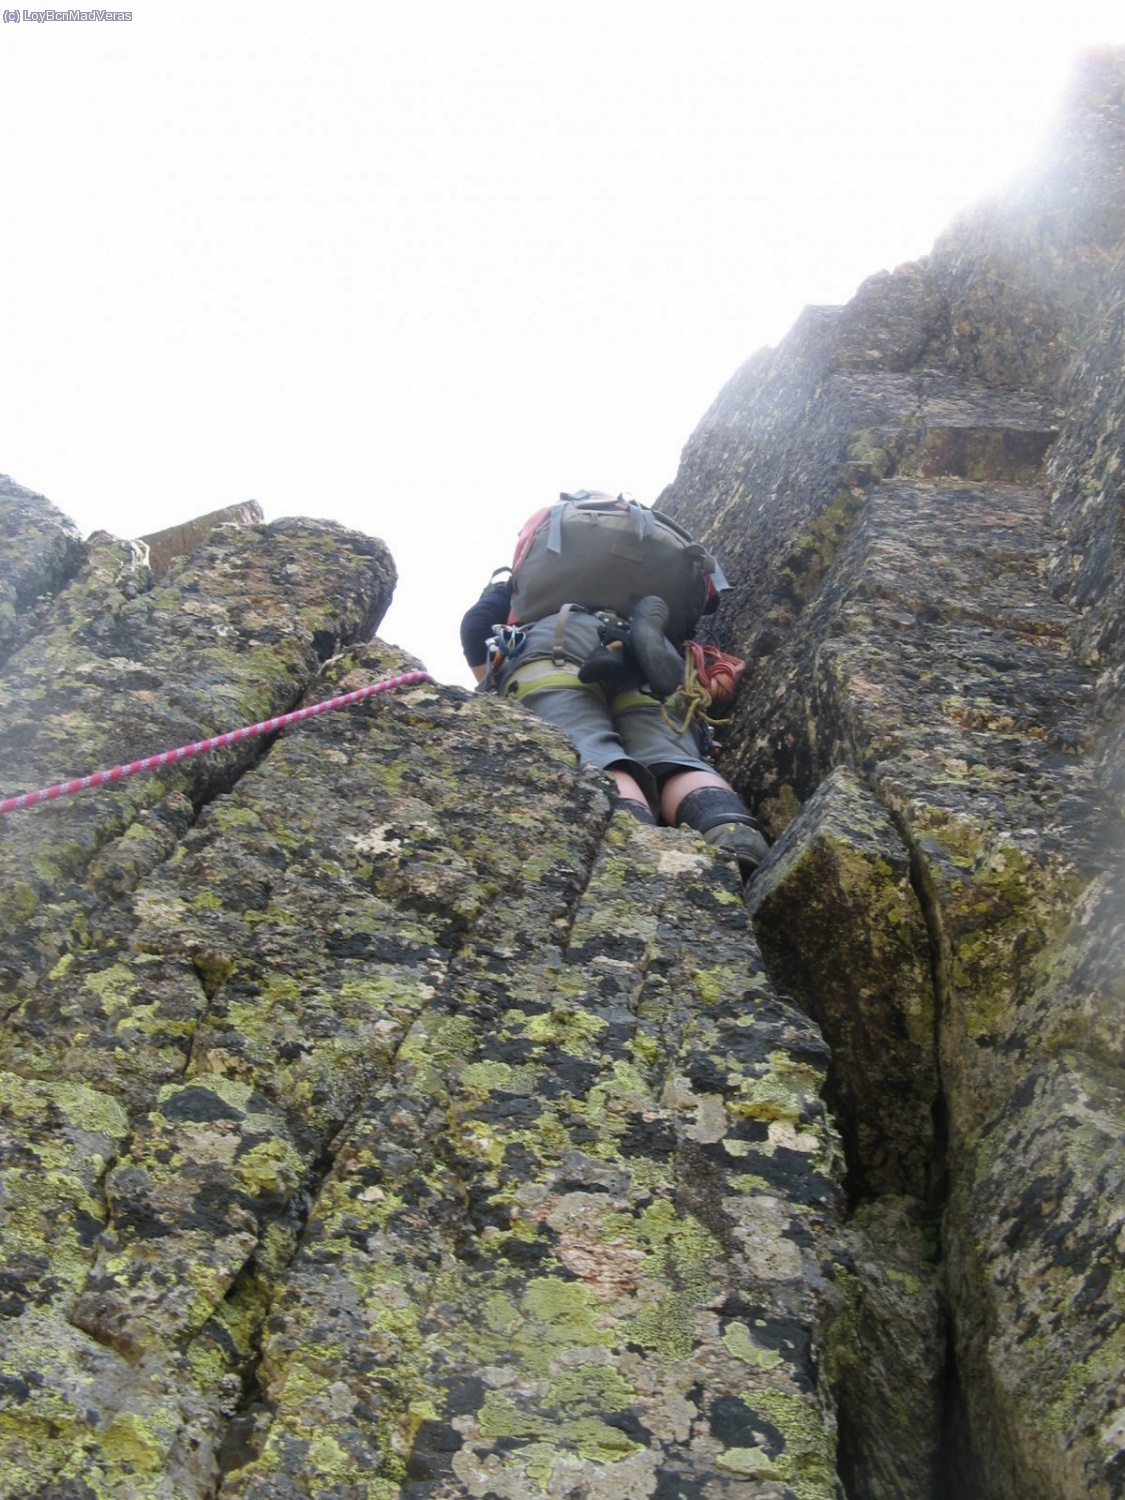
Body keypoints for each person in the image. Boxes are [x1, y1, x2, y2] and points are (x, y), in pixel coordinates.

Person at [460, 494, 770, 882]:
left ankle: (632, 844)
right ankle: (731, 831)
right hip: (643, 659)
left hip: (556, 640)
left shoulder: (519, 578)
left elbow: (476, 627)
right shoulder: (657, 557)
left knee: (586, 745)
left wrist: (492, 679)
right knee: (670, 757)